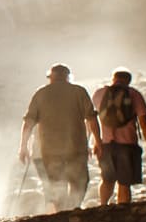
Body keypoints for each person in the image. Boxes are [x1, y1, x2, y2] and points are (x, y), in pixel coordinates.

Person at [17, 62, 95, 211]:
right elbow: (91, 119)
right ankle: (74, 207)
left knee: (56, 182)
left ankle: (61, 212)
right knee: (80, 181)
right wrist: (94, 141)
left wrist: (23, 147)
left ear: (51, 77)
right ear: (68, 77)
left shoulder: (41, 93)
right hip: (76, 146)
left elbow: (29, 122)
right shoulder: (79, 91)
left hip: (49, 149)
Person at [91, 68, 146, 205]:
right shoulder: (133, 94)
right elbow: (143, 122)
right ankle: (122, 211)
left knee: (107, 180)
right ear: (128, 81)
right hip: (128, 144)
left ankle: (103, 206)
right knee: (124, 183)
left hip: (106, 144)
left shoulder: (100, 93)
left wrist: (96, 142)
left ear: (113, 79)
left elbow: (91, 120)